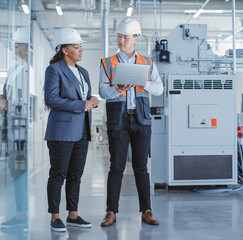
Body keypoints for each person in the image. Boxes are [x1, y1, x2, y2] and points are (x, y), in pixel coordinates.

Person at [99, 17, 163, 227]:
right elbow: (102, 91)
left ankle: (146, 210)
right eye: (118, 37)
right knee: (116, 166)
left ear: (135, 38)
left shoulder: (147, 62)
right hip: (118, 119)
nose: (121, 41)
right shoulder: (108, 63)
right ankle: (111, 211)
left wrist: (143, 81)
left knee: (141, 167)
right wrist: (117, 89)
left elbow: (159, 89)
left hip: (141, 119)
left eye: (125, 37)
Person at [44, 28, 99, 232]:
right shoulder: (54, 70)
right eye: (76, 47)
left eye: (81, 47)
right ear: (65, 50)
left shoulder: (83, 71)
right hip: (61, 131)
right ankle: (55, 216)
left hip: (82, 129)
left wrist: (93, 101)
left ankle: (73, 215)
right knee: (58, 174)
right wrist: (81, 104)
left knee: (76, 174)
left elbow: (85, 98)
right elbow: (51, 99)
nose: (81, 50)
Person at [0, 27, 29, 229]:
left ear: (26, 48)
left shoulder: (29, 70)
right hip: (12, 128)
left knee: (19, 172)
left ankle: (21, 214)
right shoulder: (14, 69)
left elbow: (26, 101)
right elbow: (6, 94)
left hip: (21, 130)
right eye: (13, 46)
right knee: (16, 171)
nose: (14, 50)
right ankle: (20, 213)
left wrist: (11, 103)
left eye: (18, 46)